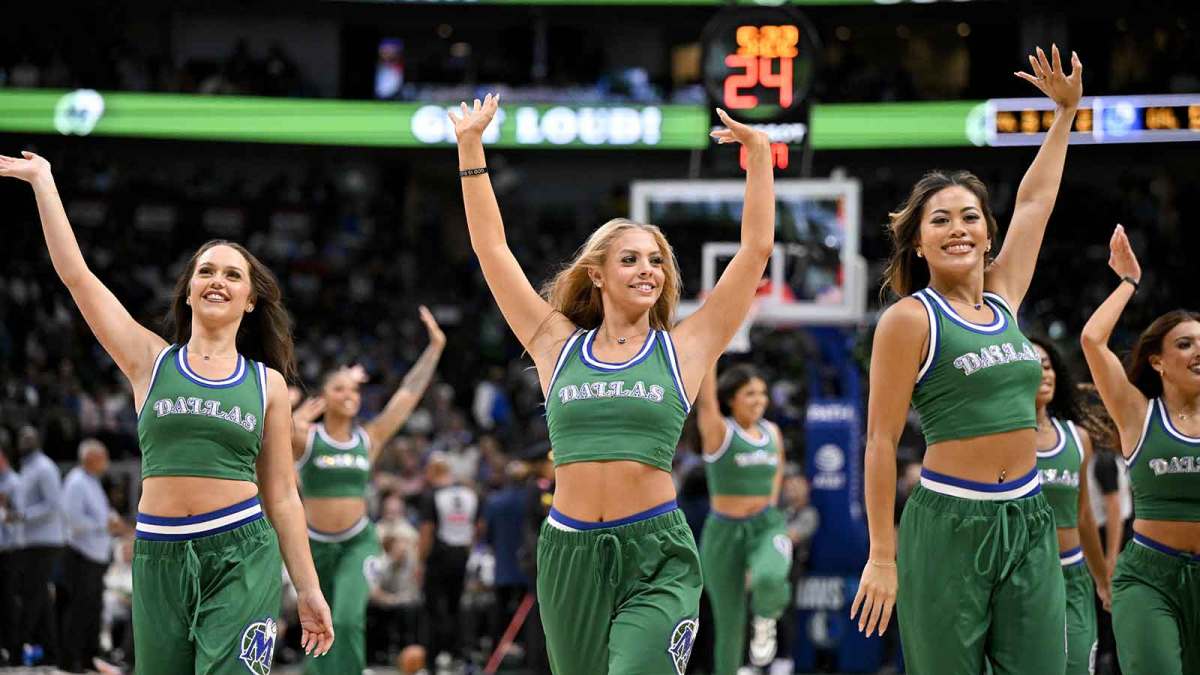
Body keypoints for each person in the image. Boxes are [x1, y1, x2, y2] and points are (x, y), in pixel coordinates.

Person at [450, 93, 774, 673]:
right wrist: (470, 148)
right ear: (596, 274)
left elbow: (754, 253)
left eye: (655, 260)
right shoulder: (555, 344)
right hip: (568, 550)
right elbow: (492, 249)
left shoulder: (685, 349)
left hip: (656, 552)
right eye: (630, 259)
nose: (647, 269)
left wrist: (759, 156)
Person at [0, 150, 333, 673]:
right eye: (206, 271)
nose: (217, 279)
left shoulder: (268, 385)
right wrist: (44, 181)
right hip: (158, 552)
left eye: (231, 274)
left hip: (242, 551)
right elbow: (77, 276)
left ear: (250, 300)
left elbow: (284, 497)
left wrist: (308, 587)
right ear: (190, 290)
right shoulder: (149, 361)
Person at [851, 45, 1083, 673]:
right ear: (920, 243)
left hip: (1029, 517)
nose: (958, 228)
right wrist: (881, 552)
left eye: (971, 217)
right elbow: (879, 441)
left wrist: (1064, 116)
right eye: (941, 220)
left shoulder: (1005, 296)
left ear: (987, 233)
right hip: (949, 521)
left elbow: (1035, 203)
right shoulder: (909, 319)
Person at [291, 307, 445, 675]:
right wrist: (294, 417)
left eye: (355, 389)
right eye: (339, 388)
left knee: (345, 620)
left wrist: (435, 348)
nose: (350, 394)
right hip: (311, 546)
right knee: (315, 627)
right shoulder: (305, 437)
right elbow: (265, 430)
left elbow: (406, 395)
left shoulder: (369, 438)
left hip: (356, 543)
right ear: (323, 397)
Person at [1079, 224, 1200, 674]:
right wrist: (1128, 282)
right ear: (1157, 361)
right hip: (1149, 577)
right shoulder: (1138, 414)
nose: (1197, 352)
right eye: (1184, 344)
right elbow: (1092, 341)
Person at [695, 363, 789, 673]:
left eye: (762, 393)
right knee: (729, 625)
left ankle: (765, 619)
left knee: (770, 577)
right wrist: (710, 348)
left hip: (765, 524)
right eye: (750, 393)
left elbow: (776, 478)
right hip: (723, 532)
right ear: (731, 398)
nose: (759, 399)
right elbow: (705, 399)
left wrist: (770, 511)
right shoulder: (719, 432)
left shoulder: (772, 432)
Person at [1029, 337, 1112, 674]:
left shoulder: (1078, 438)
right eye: (1034, 367)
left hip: (1071, 575)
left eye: (1047, 365)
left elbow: (1083, 515)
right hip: (1021, 575)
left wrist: (1103, 580)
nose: (1044, 374)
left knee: (1077, 664)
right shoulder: (1001, 437)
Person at [59, 438, 129, 673]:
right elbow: (74, 519)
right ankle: (71, 660)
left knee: (92, 610)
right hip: (81, 554)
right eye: (103, 457)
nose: (107, 462)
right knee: (79, 609)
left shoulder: (92, 482)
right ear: (90, 458)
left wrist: (113, 519)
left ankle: (89, 656)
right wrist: (105, 525)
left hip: (96, 556)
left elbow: (101, 512)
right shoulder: (76, 482)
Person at [417, 455, 479, 667]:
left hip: (438, 555)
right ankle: (459, 656)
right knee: (456, 607)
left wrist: (420, 561)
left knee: (433, 609)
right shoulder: (469, 494)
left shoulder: (432, 495)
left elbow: (427, 531)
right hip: (461, 555)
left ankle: (433, 660)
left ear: (433, 471)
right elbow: (476, 527)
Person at [13, 424, 63, 666]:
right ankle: (51, 651)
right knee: (40, 599)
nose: (25, 440)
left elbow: (53, 505)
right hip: (29, 541)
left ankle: (18, 647)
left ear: (38, 440)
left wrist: (24, 516)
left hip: (45, 541)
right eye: (22, 437)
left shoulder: (44, 467)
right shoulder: (25, 468)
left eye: (29, 436)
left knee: (32, 596)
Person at [0, 429, 22, 667]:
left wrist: (7, 510)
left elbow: (21, 518)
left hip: (10, 551)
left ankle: (13, 650)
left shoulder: (15, 482)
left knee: (9, 604)